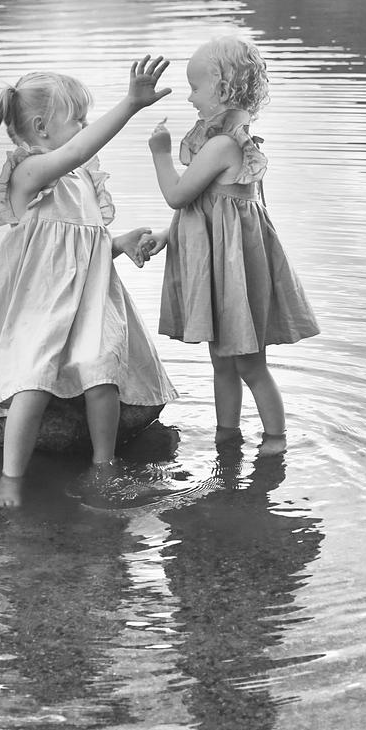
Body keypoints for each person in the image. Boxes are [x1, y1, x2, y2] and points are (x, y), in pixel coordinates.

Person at [0, 56, 178, 507]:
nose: (84, 127)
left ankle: (104, 465)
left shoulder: (80, 179)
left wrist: (118, 243)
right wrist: (130, 104)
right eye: (78, 119)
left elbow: (83, 246)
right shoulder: (30, 173)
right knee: (34, 380)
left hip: (90, 299)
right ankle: (11, 477)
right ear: (42, 128)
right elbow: (76, 152)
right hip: (41, 302)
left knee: (103, 374)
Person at [145, 34, 318, 453]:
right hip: (227, 271)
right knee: (223, 363)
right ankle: (227, 435)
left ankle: (275, 440)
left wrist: (160, 154)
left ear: (222, 90)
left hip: (234, 276)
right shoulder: (233, 143)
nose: (190, 97)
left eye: (195, 88)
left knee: (250, 366)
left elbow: (178, 196)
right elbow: (209, 210)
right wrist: (169, 236)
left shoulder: (223, 145)